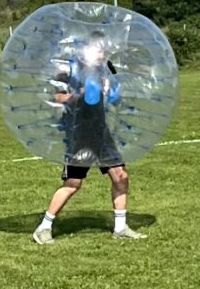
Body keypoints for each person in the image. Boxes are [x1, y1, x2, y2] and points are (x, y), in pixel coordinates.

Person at [33, 45, 144, 242]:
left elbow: (113, 97)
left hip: (102, 131)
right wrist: (80, 95)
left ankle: (120, 228)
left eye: (103, 50)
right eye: (97, 51)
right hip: (79, 133)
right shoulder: (68, 71)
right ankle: (43, 227)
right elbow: (57, 97)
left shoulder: (107, 69)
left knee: (120, 176)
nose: (101, 55)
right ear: (84, 52)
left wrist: (116, 96)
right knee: (73, 183)